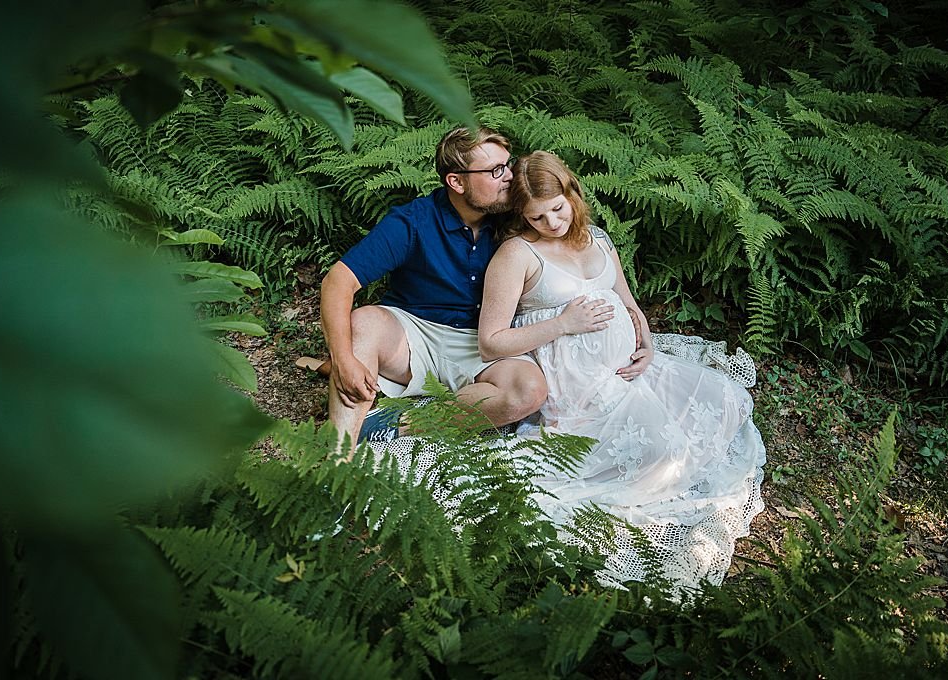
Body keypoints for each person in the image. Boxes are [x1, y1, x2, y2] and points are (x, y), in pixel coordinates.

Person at [478, 151, 766, 589]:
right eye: (537, 217)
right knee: (665, 453)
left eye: (557, 209)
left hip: (628, 369)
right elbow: (491, 341)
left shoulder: (596, 239)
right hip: (578, 388)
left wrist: (646, 344)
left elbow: (628, 304)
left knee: (728, 399)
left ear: (572, 194)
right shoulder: (517, 255)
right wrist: (562, 323)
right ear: (522, 216)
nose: (552, 223)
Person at [319, 127, 548, 454]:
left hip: (483, 341)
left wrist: (626, 305)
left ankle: (396, 423)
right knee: (365, 322)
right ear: (457, 182)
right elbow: (338, 281)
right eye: (496, 171)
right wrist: (342, 358)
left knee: (528, 390)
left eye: (508, 165)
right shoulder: (413, 221)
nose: (509, 177)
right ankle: (338, 457)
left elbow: (572, 227)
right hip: (412, 337)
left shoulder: (514, 213)